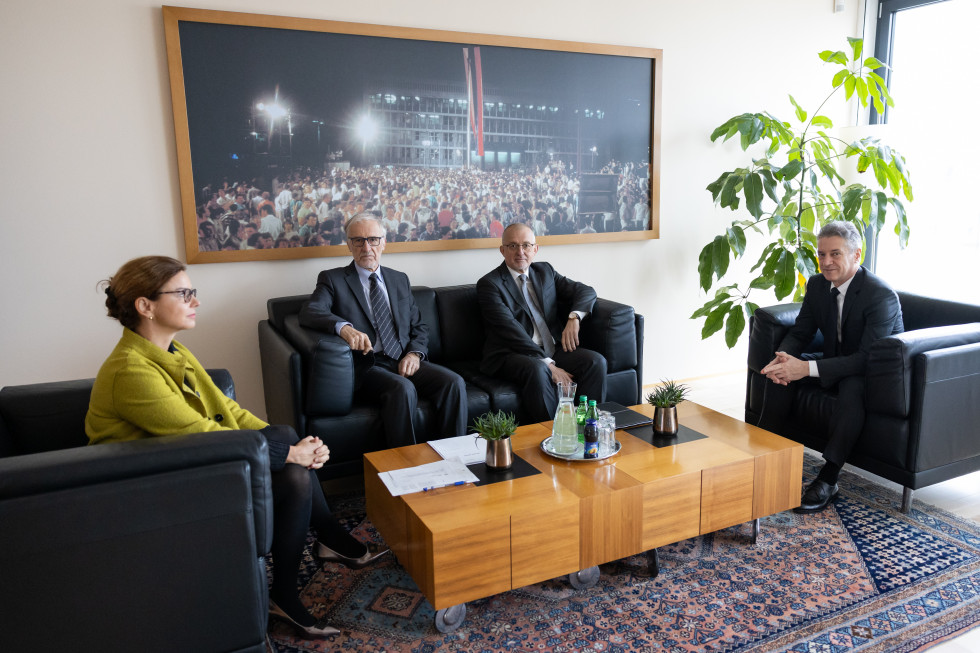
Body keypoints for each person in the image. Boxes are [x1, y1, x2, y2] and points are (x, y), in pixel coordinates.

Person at [84, 256, 386, 639]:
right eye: (183, 293)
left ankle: (325, 540)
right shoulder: (131, 370)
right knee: (293, 474)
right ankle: (294, 582)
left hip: (186, 463)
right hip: (148, 488)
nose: (195, 301)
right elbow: (202, 434)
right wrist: (291, 455)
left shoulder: (171, 351)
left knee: (284, 432)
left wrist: (293, 443)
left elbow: (227, 411)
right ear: (145, 306)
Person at [760, 221, 903, 513]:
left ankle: (828, 479)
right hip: (836, 360)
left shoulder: (880, 296)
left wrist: (806, 368)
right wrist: (784, 358)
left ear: (856, 255)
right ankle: (760, 457)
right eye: (822, 254)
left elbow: (865, 358)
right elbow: (801, 332)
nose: (826, 262)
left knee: (851, 388)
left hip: (874, 374)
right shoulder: (817, 285)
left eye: (835, 254)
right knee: (780, 374)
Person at [298, 213, 467, 447]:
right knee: (403, 388)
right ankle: (406, 464)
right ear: (349, 244)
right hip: (367, 365)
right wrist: (344, 328)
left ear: (384, 242)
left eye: (373, 239)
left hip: (402, 358)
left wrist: (414, 354)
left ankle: (454, 453)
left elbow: (419, 326)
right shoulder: (333, 279)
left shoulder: (399, 279)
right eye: (358, 240)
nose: (366, 247)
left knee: (454, 382)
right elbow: (310, 311)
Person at [477, 223, 607, 423]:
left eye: (526, 245)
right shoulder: (489, 284)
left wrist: (574, 318)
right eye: (512, 246)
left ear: (535, 249)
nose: (520, 252)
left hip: (552, 347)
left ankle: (587, 427)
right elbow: (510, 330)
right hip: (511, 353)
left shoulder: (545, 271)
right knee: (538, 370)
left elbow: (586, 291)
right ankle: (553, 435)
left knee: (595, 362)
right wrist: (550, 366)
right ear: (502, 250)